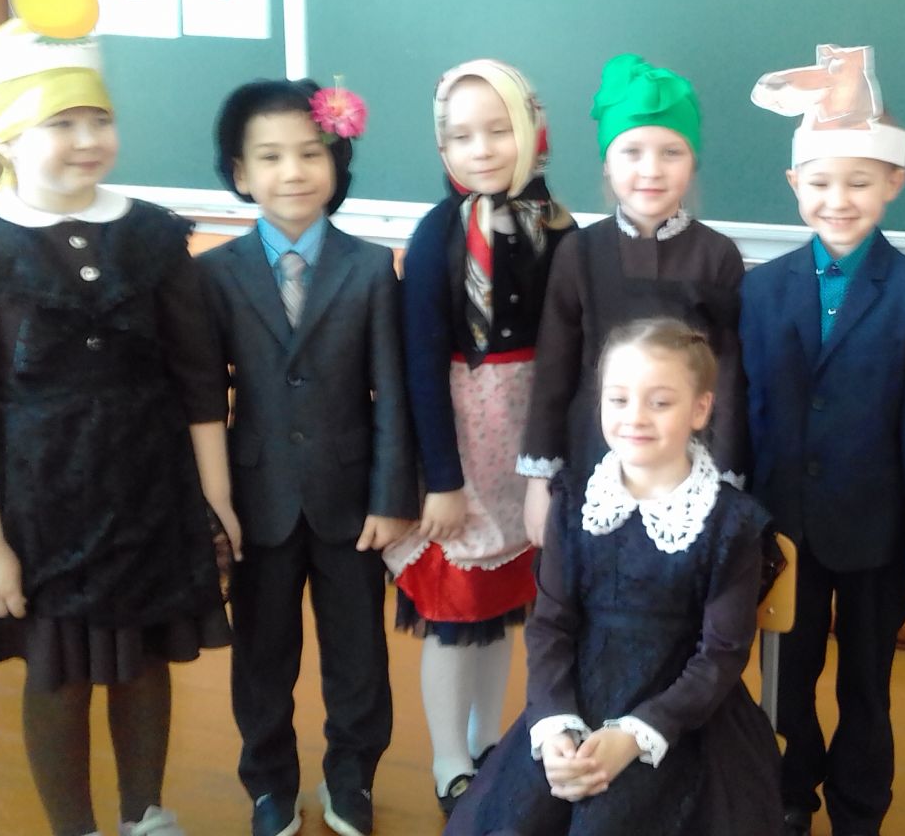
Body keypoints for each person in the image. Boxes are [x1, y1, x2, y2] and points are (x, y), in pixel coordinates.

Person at [0, 0, 233, 836]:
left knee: (143, 662)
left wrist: (215, 497)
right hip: (39, 508)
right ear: (7, 137)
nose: (88, 139)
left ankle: (145, 815)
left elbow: (198, 383)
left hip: (149, 492)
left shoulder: (152, 235)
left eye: (99, 119)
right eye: (61, 123)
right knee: (57, 671)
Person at [741, 44, 905, 836]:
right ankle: (789, 797)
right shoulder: (759, 289)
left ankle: (860, 810)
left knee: (867, 688)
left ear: (894, 183)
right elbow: (743, 415)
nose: (839, 201)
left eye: (860, 183)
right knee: (786, 681)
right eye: (821, 183)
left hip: (880, 537)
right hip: (783, 531)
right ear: (794, 184)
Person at [446, 317, 783, 835]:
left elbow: (721, 654)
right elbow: (551, 626)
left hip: (681, 720)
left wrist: (636, 735)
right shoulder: (575, 503)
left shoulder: (730, 524)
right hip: (576, 704)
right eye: (619, 399)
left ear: (700, 409)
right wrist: (555, 725)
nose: (635, 418)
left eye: (660, 402)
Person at [199, 77, 418, 836]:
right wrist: (213, 504)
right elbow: (204, 399)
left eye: (310, 153)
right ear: (240, 173)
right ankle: (268, 782)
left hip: (350, 500)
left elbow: (392, 392)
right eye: (270, 157)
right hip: (257, 499)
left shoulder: (371, 268)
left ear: (336, 161)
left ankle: (352, 777)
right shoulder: (213, 273)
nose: (292, 171)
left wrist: (391, 496)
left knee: (358, 653)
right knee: (262, 653)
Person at [385, 59, 576, 816]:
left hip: (528, 444)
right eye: (462, 137)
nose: (483, 148)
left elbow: (573, 345)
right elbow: (420, 366)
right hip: (464, 447)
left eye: (500, 130)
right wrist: (441, 478)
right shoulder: (438, 234)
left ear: (531, 132)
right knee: (454, 612)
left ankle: (488, 739)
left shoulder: (558, 227)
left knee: (501, 611)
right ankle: (448, 756)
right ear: (443, 149)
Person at [517, 53, 749, 546]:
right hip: (588, 462)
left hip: (689, 473)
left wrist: (726, 481)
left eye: (671, 152)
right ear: (607, 163)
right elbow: (553, 373)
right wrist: (540, 481)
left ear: (693, 162)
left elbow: (728, 381)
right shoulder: (578, 253)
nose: (651, 170)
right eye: (632, 152)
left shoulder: (718, 257)